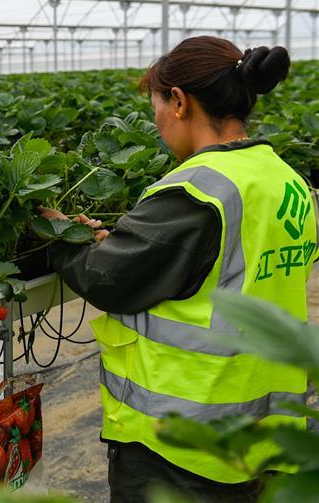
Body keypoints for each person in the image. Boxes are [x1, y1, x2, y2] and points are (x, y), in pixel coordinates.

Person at [38, 37, 316, 503]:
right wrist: (131, 245)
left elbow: (105, 277)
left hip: (184, 446)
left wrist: (59, 233)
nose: (158, 122)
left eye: (158, 107)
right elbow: (227, 264)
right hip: (269, 436)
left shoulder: (197, 190)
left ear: (180, 102)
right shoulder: (289, 181)